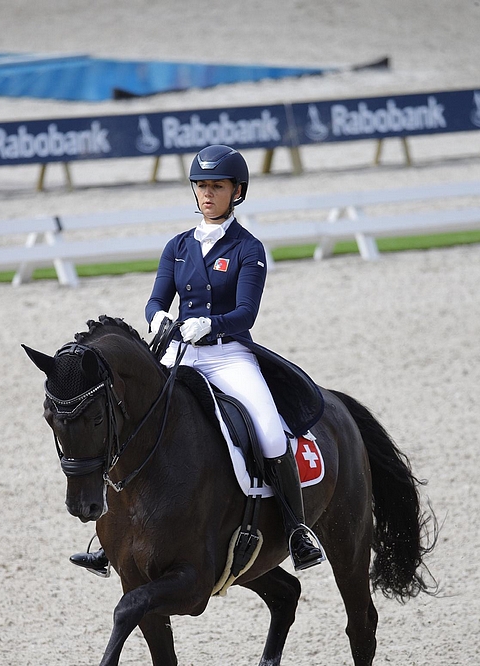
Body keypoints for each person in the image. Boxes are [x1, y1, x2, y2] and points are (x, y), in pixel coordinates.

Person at [70, 144, 323, 577]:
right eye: (201, 186)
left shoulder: (249, 248)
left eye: (217, 186)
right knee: (125, 421)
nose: (207, 194)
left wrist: (211, 324)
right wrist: (160, 317)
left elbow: (247, 312)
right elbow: (154, 301)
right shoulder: (178, 246)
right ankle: (105, 532)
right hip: (178, 353)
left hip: (228, 356)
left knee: (269, 431)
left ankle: (297, 530)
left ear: (236, 191)